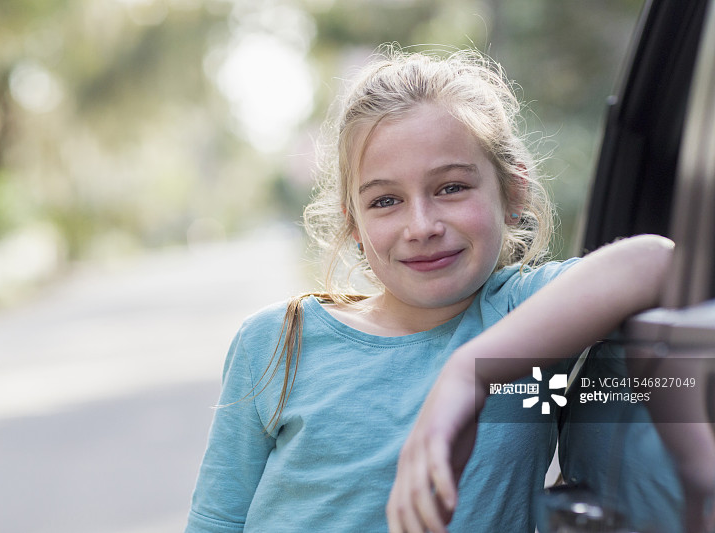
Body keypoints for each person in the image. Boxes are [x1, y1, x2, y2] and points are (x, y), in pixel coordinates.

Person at [184, 47, 677, 532]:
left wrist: (469, 373)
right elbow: (217, 522)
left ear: (513, 192)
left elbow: (655, 261)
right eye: (386, 200)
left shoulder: (522, 318)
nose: (421, 226)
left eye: (451, 188)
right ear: (353, 223)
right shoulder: (277, 342)